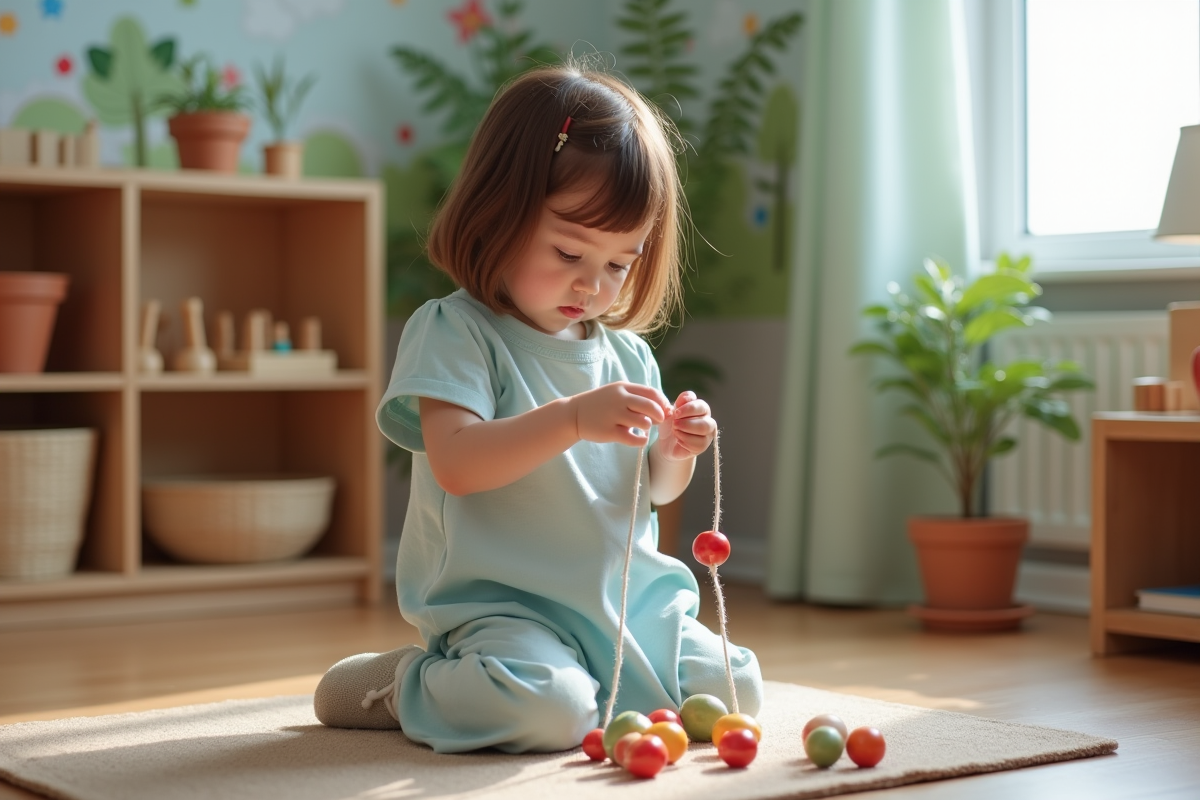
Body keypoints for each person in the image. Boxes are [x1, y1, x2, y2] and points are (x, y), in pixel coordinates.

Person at [314, 63, 762, 754]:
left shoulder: (627, 355)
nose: (592, 284)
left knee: (736, 688)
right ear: (501, 212)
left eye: (619, 264)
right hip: (509, 609)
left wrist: (675, 450)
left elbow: (652, 491)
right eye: (568, 251)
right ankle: (403, 684)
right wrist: (573, 419)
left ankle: (584, 681)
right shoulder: (456, 331)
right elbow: (458, 464)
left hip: (625, 605)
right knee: (551, 712)